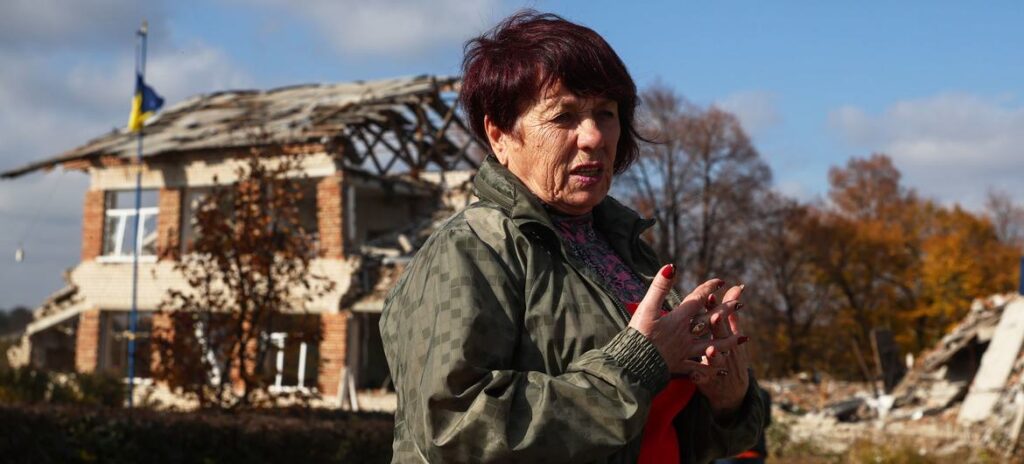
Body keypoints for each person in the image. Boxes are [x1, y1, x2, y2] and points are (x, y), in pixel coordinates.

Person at [380, 11, 764, 463]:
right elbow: (453, 432)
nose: (595, 136)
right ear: (500, 134)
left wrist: (726, 402)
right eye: (564, 115)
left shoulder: (626, 253)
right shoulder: (470, 250)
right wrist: (633, 366)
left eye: (606, 113)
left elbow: (651, 435)